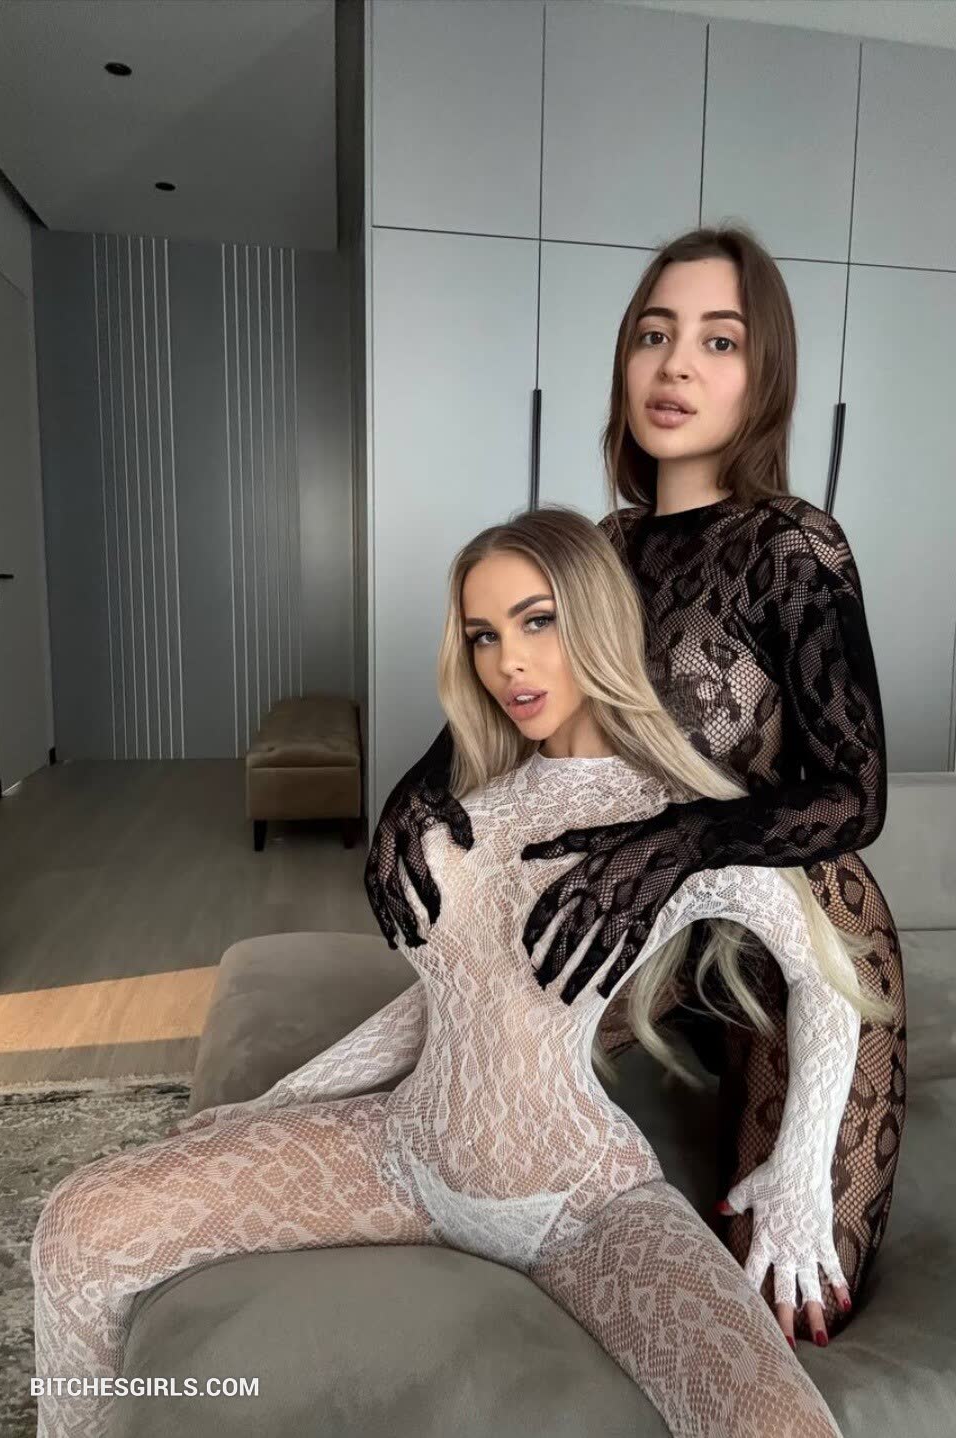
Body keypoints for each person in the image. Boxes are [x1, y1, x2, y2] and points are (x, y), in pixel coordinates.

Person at [27, 504, 897, 1438]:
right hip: (402, 1155)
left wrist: (801, 1174)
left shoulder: (679, 821)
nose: (509, 663)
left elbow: (823, 977)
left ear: (600, 618)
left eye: (537, 622)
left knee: (780, 1426)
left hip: (582, 1201)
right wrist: (280, 1101)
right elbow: (448, 1002)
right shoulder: (468, 801)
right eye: (485, 636)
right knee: (78, 1229)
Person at [364, 224, 907, 1346]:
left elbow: (856, 795)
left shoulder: (793, 545)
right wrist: (415, 788)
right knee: (436, 1107)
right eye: (654, 335)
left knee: (777, 1292)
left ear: (764, 375)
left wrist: (678, 842)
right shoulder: (601, 544)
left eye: (720, 341)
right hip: (636, 923)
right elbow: (521, 694)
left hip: (788, 940)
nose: (677, 366)